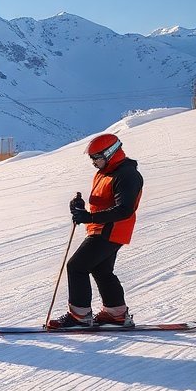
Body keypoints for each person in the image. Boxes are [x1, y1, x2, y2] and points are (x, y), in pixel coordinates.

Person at [47, 133, 143, 328]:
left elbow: (124, 209)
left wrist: (89, 217)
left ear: (110, 153)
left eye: (96, 158)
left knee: (76, 266)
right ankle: (115, 313)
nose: (93, 162)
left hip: (111, 231)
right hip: (101, 228)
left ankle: (79, 316)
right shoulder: (105, 172)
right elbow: (102, 202)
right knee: (102, 270)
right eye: (91, 158)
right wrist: (81, 208)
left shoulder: (127, 175)